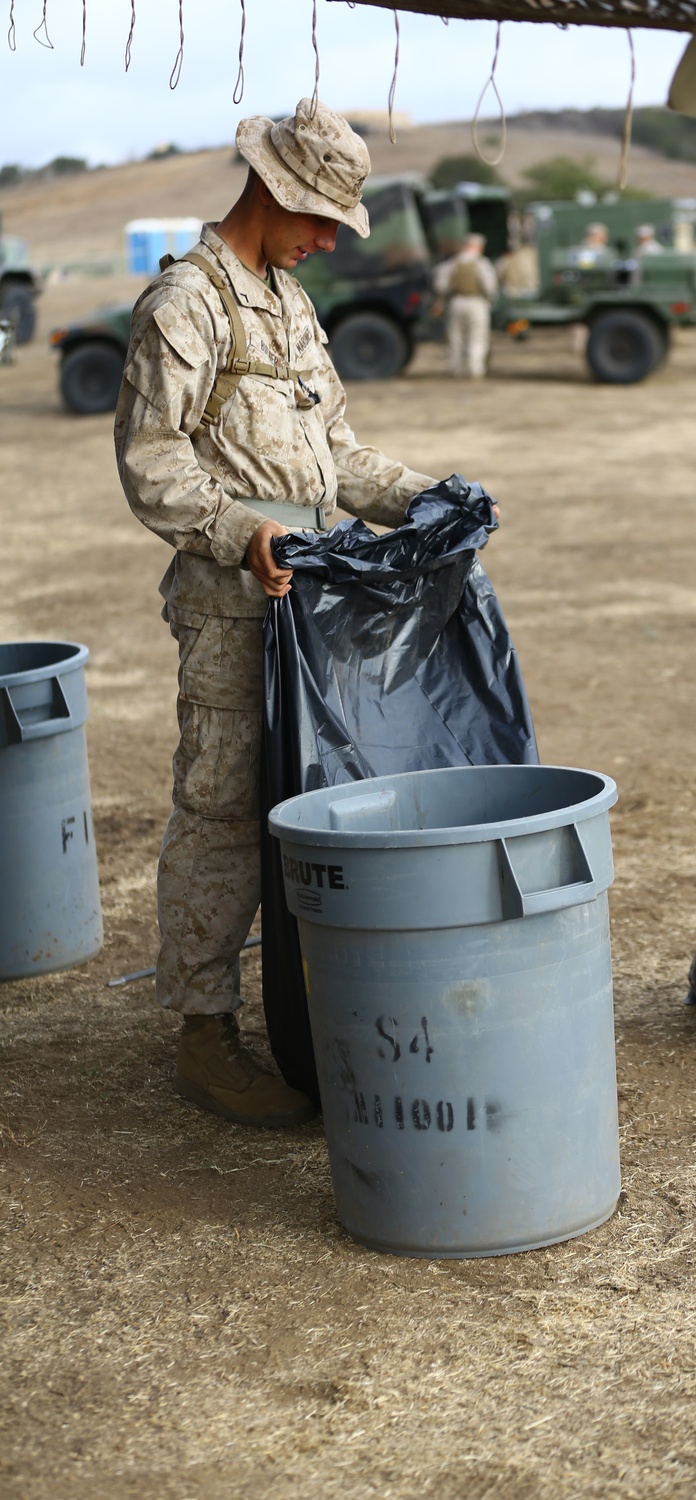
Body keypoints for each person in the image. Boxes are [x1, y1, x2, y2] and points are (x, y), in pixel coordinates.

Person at [114, 99, 445, 1128]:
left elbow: (335, 454)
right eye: (317, 216)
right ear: (270, 192)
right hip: (231, 603)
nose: (327, 238)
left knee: (313, 804)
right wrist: (236, 530)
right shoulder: (187, 303)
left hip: (314, 608)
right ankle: (203, 1034)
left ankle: (310, 1007)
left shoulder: (292, 307)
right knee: (220, 811)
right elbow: (152, 461)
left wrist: (429, 499)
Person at [433, 232, 499, 379]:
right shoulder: (482, 263)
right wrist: (491, 300)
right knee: (477, 337)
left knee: (456, 338)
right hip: (477, 302)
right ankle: (475, 369)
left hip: (456, 302)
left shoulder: (452, 263)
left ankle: (456, 368)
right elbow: (490, 286)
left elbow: (441, 285)